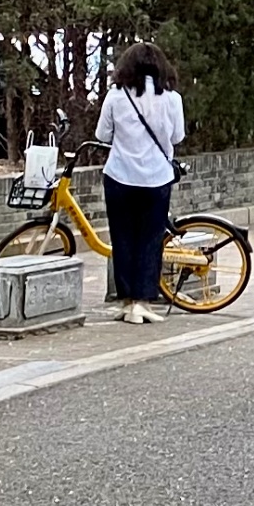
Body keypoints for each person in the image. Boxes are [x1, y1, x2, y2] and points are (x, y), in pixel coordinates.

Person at [90, 44, 187, 325]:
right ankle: (143, 301)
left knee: (122, 239)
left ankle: (127, 301)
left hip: (119, 176)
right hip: (157, 179)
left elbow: (102, 134)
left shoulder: (115, 97)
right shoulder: (172, 99)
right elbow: (178, 137)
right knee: (150, 240)